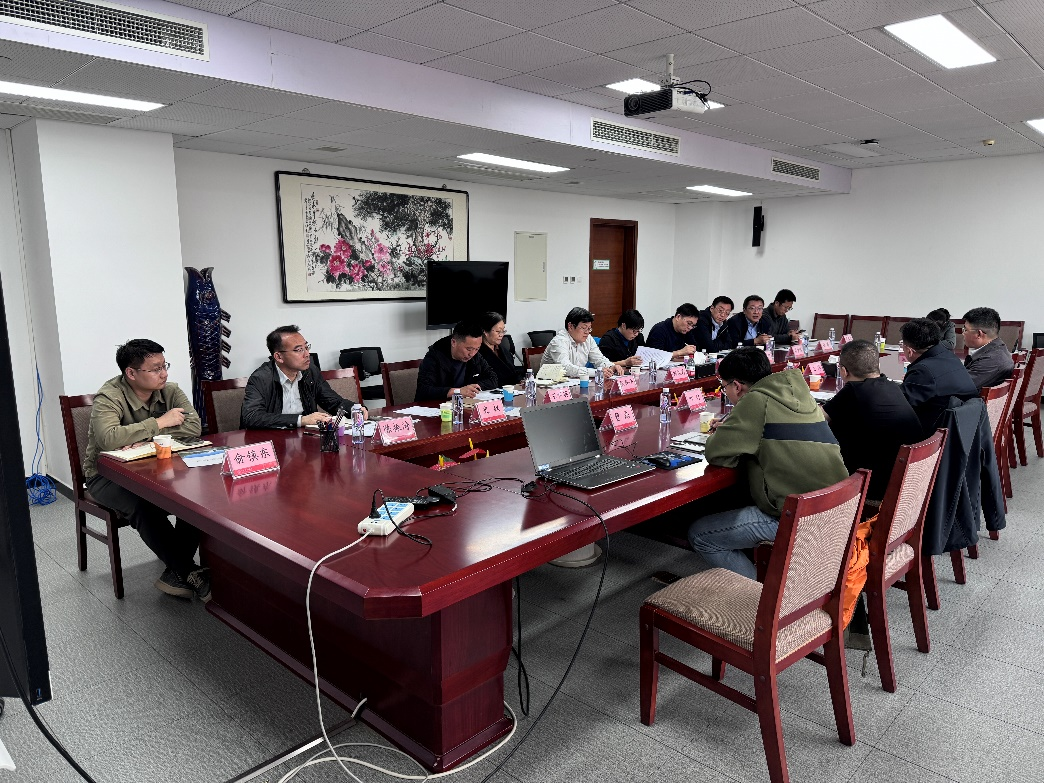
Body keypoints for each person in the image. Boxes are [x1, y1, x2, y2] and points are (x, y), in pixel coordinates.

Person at [687, 348, 849, 578]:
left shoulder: (755, 400)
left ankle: (754, 594)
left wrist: (729, 431)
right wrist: (737, 428)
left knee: (700, 535)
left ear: (737, 386)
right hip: (838, 507)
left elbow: (716, 453)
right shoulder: (797, 391)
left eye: (724, 387)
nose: (726, 392)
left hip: (798, 517)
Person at [83, 339, 210, 601]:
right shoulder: (109, 396)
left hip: (158, 467)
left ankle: (175, 572)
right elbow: (108, 438)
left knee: (196, 498)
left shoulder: (171, 390)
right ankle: (189, 571)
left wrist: (143, 438)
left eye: (165, 366)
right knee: (144, 506)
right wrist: (160, 423)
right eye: (155, 369)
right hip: (107, 476)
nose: (164, 374)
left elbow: (193, 427)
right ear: (131, 373)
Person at [823, 340, 923, 503]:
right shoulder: (892, 386)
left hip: (873, 488)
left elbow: (818, 418)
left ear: (843, 371)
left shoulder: (853, 391)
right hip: (906, 484)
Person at [242, 325, 359, 429]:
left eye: (306, 347)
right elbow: (251, 417)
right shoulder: (261, 378)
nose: (307, 354)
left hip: (304, 436)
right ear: (279, 357)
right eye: (299, 350)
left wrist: (355, 409)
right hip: (272, 438)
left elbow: (332, 402)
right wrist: (301, 420)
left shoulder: (310, 372)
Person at [900, 318, 978, 432]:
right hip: (966, 428)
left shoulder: (923, 371)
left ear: (909, 350)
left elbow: (900, 404)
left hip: (939, 434)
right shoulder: (949, 356)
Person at [417, 319, 500, 399]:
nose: (472, 354)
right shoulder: (434, 357)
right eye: (468, 349)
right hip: (438, 405)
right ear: (454, 342)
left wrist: (472, 388)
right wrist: (457, 391)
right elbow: (424, 390)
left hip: (464, 404)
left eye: (477, 349)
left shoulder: (475, 356)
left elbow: (493, 378)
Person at [543, 307, 625, 378]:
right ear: (570, 326)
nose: (587, 332)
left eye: (589, 328)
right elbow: (565, 368)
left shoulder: (588, 339)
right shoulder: (559, 341)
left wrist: (611, 366)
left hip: (574, 382)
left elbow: (599, 359)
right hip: (549, 385)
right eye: (584, 328)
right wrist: (597, 372)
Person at [962, 307, 1014, 390]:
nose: (963, 333)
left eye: (965, 330)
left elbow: (958, 386)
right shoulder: (998, 349)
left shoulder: (991, 360)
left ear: (979, 334)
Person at [478, 311, 525, 387]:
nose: (501, 335)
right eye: (498, 331)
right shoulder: (477, 352)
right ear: (485, 331)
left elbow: (513, 372)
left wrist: (520, 380)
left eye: (503, 331)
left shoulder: (503, 350)